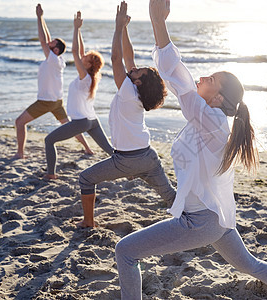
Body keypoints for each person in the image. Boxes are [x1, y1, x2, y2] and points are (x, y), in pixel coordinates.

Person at [114, 1, 267, 299]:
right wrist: (158, 23)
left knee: (125, 251)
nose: (202, 77)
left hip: (200, 221)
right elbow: (180, 79)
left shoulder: (212, 119)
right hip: (217, 219)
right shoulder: (209, 118)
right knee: (251, 265)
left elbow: (175, 73)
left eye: (211, 79)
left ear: (217, 98)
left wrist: (158, 20)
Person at [77, 1, 176, 228]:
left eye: (136, 71)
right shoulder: (137, 92)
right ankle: (198, 216)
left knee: (85, 178)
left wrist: (118, 27)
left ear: (138, 81)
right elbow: (128, 57)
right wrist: (125, 29)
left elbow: (116, 59)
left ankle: (88, 222)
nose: (132, 68)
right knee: (170, 196)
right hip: (149, 158)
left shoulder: (128, 92)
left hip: (126, 160)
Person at [13, 3, 93, 159]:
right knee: (70, 126)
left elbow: (43, 41)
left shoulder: (53, 60)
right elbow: (47, 39)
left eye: (52, 44)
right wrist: (42, 17)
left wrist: (38, 17)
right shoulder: (57, 59)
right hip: (57, 101)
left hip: (46, 101)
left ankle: (20, 154)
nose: (48, 43)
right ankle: (88, 148)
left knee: (19, 122)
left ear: (55, 50)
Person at [43, 11, 114, 180]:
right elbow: (80, 51)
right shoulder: (91, 77)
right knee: (110, 150)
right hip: (92, 120)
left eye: (87, 58)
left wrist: (75, 29)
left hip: (81, 121)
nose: (83, 57)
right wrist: (79, 30)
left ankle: (51, 174)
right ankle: (131, 169)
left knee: (49, 140)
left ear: (89, 64)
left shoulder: (85, 77)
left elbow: (75, 52)